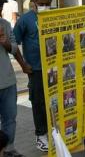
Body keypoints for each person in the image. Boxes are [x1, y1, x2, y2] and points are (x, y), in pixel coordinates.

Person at [13, 0, 52, 152]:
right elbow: (13, 43)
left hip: (53, 66)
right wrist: (23, 65)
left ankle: (53, 130)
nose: (44, 7)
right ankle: (41, 134)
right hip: (35, 69)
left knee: (53, 101)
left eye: (47, 4)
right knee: (38, 102)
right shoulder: (26, 20)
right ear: (34, 3)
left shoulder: (53, 15)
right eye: (41, 4)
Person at [0, 18, 31, 157]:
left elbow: (14, 47)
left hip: (8, 81)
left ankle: (9, 149)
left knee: (10, 118)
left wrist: (5, 42)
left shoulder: (5, 24)